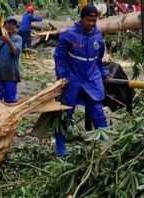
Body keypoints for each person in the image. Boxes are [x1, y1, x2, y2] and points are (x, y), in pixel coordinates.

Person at [53, 5, 111, 157]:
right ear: (81, 18)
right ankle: (61, 150)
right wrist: (62, 76)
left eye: (94, 20)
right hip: (72, 79)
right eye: (89, 20)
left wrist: (104, 73)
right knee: (65, 114)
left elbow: (98, 59)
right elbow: (59, 58)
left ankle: (105, 147)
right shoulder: (68, 35)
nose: (92, 23)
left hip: (92, 79)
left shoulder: (98, 35)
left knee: (98, 112)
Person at [0, 16, 22, 103]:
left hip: (11, 74)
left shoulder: (18, 39)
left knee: (10, 100)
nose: (11, 25)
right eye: (9, 23)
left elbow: (14, 52)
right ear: (4, 25)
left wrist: (8, 41)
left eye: (14, 24)